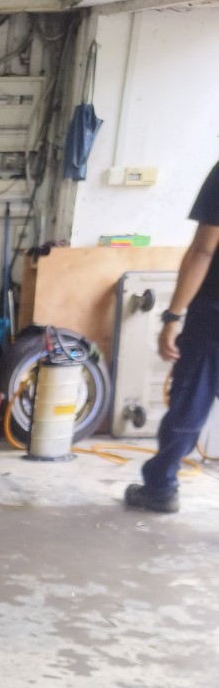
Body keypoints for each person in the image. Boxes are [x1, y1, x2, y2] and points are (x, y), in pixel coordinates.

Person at [125, 161, 219, 513]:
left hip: (213, 316)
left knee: (191, 400)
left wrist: (173, 316)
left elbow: (204, 250)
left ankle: (160, 489)